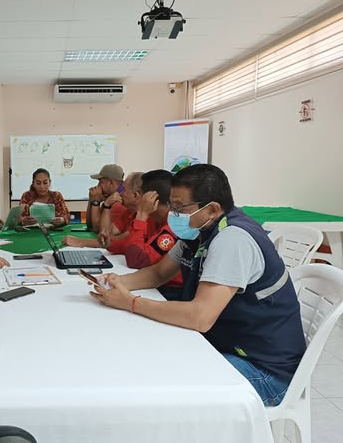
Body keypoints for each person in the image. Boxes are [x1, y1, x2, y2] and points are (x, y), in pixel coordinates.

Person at [90, 164, 306, 406]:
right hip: (228, 345)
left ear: (212, 208)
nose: (173, 214)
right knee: (149, 356)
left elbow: (200, 317)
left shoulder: (232, 239)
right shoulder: (198, 231)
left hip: (265, 370)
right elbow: (158, 273)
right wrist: (118, 282)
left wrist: (130, 303)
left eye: (179, 207)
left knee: (163, 387)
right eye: (172, 206)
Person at [86, 164, 125, 232]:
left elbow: (97, 229)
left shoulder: (119, 199)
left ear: (111, 183)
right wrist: (91, 199)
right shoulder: (111, 196)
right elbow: (90, 225)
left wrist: (96, 202)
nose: (98, 186)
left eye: (101, 182)